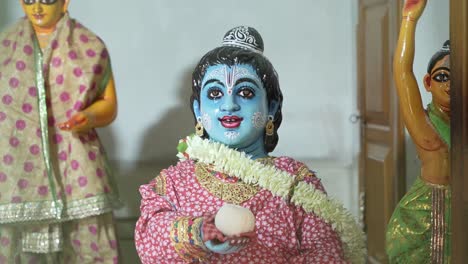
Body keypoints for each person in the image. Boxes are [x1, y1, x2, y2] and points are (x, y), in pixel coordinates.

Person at [135, 26, 365, 263]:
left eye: (245, 93)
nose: (229, 105)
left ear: (271, 107)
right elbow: (149, 241)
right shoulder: (173, 183)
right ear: (198, 110)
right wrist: (200, 234)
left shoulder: (295, 182)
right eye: (215, 94)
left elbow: (326, 253)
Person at [0, 0, 120, 263]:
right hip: (17, 164)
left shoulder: (90, 46)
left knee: (85, 236)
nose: (37, 7)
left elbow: (109, 104)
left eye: (47, 0)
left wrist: (88, 116)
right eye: (29, 0)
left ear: (65, 2)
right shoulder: (4, 47)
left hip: (75, 159)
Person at [386, 0, 451, 263]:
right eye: (442, 77)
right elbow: (402, 71)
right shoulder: (424, 123)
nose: (449, 86)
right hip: (426, 212)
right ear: (428, 82)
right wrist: (409, 20)